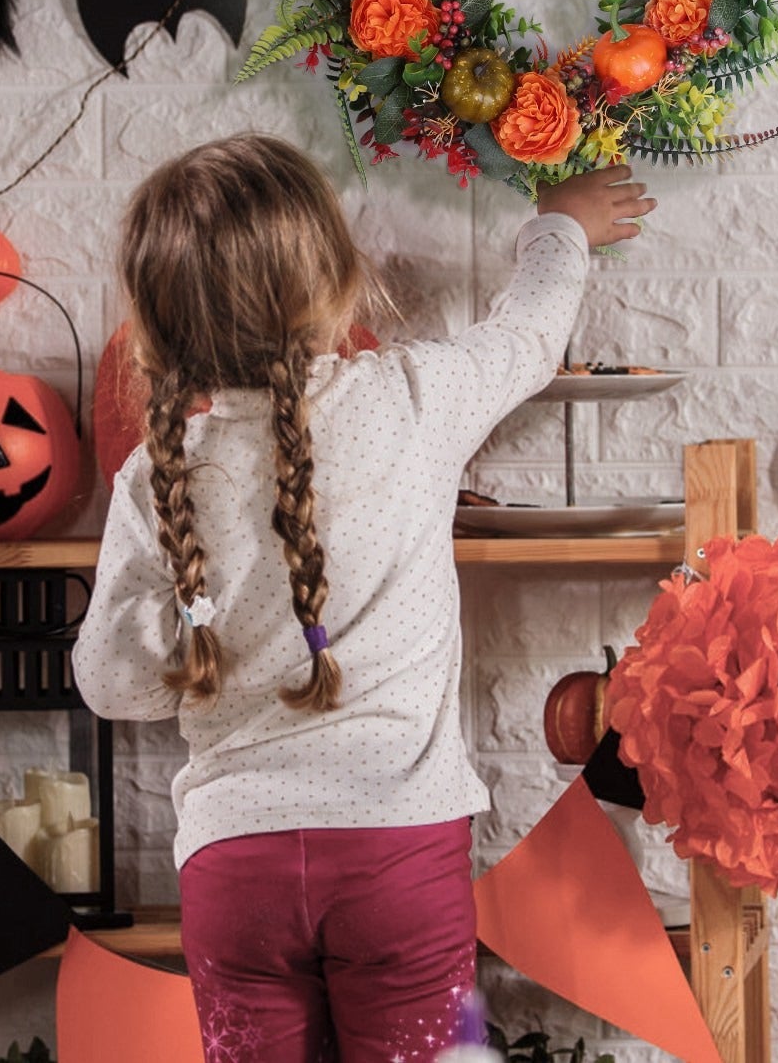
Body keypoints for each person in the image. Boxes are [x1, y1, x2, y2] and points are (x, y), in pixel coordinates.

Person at [72, 133, 655, 1063]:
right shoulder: (409, 399)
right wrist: (559, 227)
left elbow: (112, 687)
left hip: (233, 867)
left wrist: (196, 617)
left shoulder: (157, 477)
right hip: (400, 852)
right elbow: (528, 339)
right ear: (336, 281)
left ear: (154, 326)